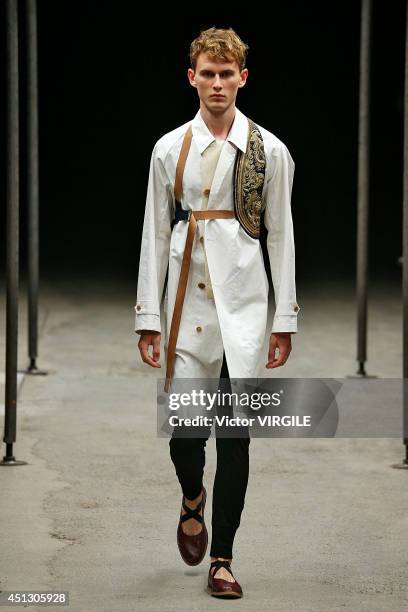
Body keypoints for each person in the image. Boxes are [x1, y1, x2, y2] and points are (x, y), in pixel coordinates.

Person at [135, 26, 300, 599]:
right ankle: (191, 498)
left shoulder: (269, 150)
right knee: (185, 432)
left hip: (247, 307)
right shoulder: (168, 148)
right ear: (192, 78)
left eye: (227, 73)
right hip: (186, 304)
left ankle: (223, 558)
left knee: (235, 438)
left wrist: (285, 320)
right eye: (208, 73)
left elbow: (282, 238)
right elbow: (155, 233)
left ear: (242, 78)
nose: (217, 83)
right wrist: (147, 317)